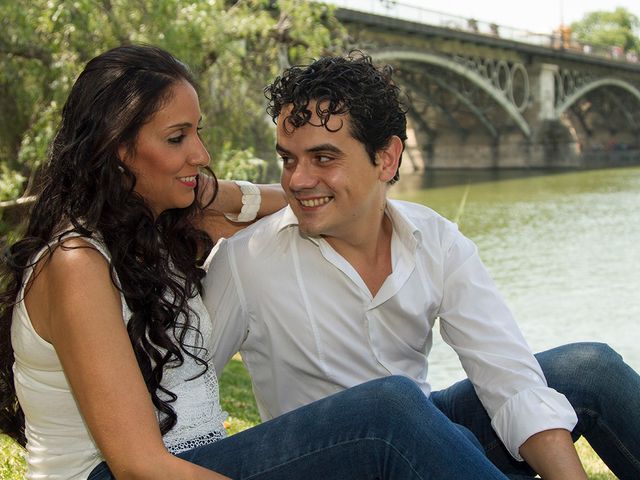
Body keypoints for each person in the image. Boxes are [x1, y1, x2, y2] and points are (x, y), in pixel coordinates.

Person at [0, 45, 517, 480]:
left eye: (197, 133)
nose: (201, 152)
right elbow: (139, 464)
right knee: (389, 412)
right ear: (116, 150)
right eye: (177, 138)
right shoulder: (76, 264)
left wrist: (215, 192)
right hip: (118, 476)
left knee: (575, 373)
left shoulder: (154, 234)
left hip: (196, 460)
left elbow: (303, 200)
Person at [202, 53, 640, 479]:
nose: (296, 179)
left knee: (589, 367)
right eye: (288, 159)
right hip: (327, 457)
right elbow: (179, 392)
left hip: (415, 432)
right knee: (391, 406)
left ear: (387, 158)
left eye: (323, 158)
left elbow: (510, 379)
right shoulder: (249, 261)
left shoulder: (437, 240)